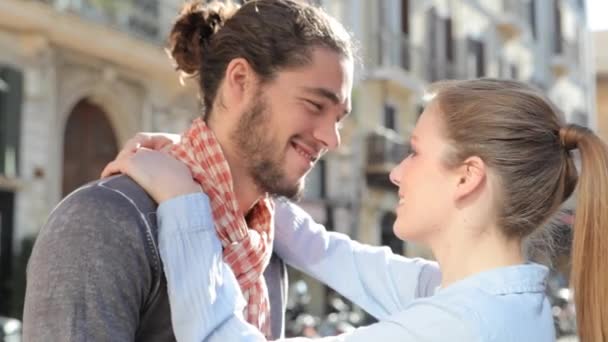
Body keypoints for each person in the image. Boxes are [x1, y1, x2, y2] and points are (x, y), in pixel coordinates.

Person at [109, 78, 608, 341]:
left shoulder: (462, 327)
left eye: (414, 152)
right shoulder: (493, 300)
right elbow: (328, 252)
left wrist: (184, 202)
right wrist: (212, 164)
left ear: (467, 176)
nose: (396, 173)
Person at [23, 1, 354, 340]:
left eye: (339, 119)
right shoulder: (105, 221)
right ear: (240, 81)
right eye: (315, 105)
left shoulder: (265, 249)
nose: (332, 139)